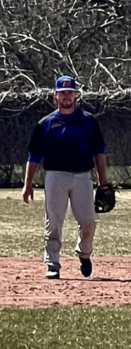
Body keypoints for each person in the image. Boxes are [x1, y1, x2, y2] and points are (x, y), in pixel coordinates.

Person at [22, 75, 108, 280]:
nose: (66, 96)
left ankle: (84, 253)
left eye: (70, 93)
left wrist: (103, 181)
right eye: (62, 93)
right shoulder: (46, 124)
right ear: (55, 97)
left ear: (75, 96)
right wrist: (27, 185)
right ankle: (52, 264)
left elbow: (99, 152)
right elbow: (34, 156)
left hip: (82, 176)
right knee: (54, 222)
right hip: (55, 176)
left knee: (88, 223)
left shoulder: (88, 121)